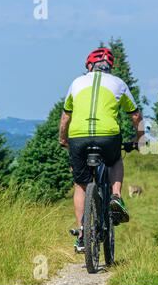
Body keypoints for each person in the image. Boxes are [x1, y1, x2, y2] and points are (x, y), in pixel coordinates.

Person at [58, 48, 144, 252]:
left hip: (78, 137)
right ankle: (115, 196)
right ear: (109, 67)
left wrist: (63, 139)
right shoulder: (118, 83)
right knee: (115, 160)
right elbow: (135, 116)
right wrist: (139, 140)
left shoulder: (76, 83)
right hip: (107, 135)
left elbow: (65, 118)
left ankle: (81, 233)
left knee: (80, 184)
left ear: (89, 66)